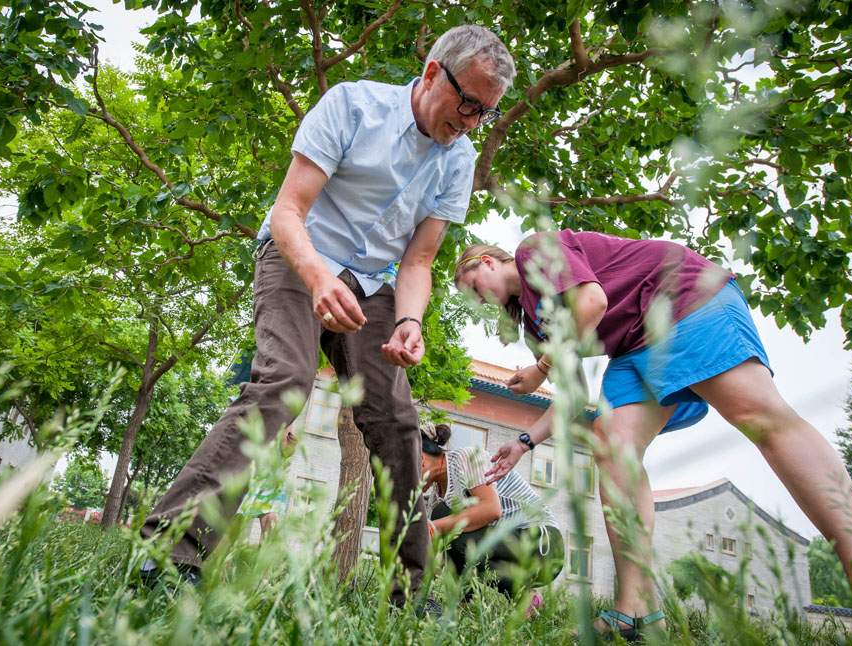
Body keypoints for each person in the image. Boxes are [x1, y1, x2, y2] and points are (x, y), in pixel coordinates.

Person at [139, 25, 516, 613]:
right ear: (432, 74)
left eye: (484, 114)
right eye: (468, 103)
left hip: (373, 286)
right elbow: (288, 211)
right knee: (285, 382)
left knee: (397, 422)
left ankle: (410, 594)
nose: (470, 123)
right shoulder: (351, 105)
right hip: (299, 256)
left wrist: (410, 321)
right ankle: (171, 552)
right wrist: (317, 277)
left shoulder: (457, 160)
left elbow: (418, 259)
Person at [454, 230, 852, 642]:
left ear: (487, 262)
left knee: (761, 417)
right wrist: (525, 442)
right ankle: (637, 613)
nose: (478, 299)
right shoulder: (535, 325)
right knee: (611, 440)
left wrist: (542, 369)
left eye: (473, 286)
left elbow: (592, 302)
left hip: (680, 300)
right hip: (635, 346)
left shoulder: (533, 251)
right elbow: (575, 392)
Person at [420, 422, 563, 617]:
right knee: (447, 526)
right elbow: (441, 553)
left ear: (420, 460)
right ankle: (477, 600)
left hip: (543, 542)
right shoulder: (437, 496)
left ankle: (513, 596)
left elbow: (491, 510)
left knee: (448, 524)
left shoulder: (465, 457)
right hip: (509, 547)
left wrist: (432, 527)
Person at [237, 427, 297, 540]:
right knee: (235, 519)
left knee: (269, 518)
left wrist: (290, 447)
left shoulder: (288, 414)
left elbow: (286, 449)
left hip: (269, 471)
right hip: (253, 466)